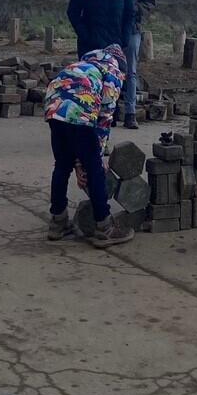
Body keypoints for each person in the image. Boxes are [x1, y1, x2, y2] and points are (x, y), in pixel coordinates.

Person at [44, 45, 134, 247]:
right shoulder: (112, 71)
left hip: (55, 110)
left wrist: (78, 163)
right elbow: (105, 117)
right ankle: (105, 227)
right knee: (95, 169)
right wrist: (98, 155)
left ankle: (58, 222)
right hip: (80, 114)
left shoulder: (82, 64)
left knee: (61, 165)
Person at [115, 0, 157, 130]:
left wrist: (135, 8)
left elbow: (151, 2)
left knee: (131, 71)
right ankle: (112, 109)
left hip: (133, 29)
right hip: (113, 29)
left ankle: (130, 113)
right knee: (112, 69)